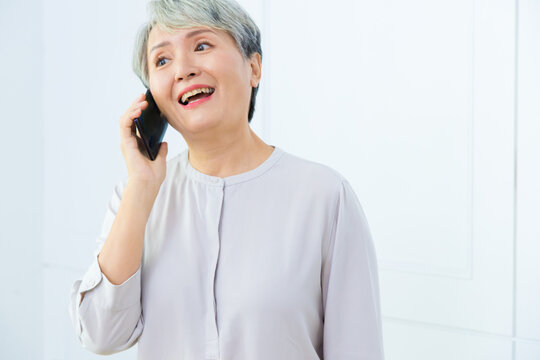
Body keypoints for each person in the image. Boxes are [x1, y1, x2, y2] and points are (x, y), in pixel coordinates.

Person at [68, 0, 385, 359]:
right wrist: (141, 186)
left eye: (201, 46)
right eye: (162, 60)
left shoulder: (326, 197)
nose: (183, 70)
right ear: (150, 100)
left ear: (253, 67)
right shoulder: (136, 198)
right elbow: (100, 335)